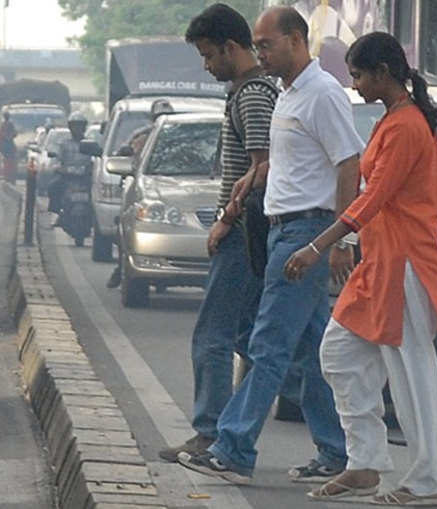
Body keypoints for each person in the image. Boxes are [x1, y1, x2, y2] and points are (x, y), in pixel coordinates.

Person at [178, 6, 362, 485]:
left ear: (297, 41)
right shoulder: (286, 94)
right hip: (283, 229)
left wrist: (342, 238)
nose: (260, 53)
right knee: (308, 349)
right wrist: (246, 186)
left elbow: (349, 164)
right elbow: (279, 163)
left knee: (268, 345)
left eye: (267, 44)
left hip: (306, 234)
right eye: (257, 45)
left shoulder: (322, 94)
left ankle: (234, 446)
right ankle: (339, 450)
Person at [283, 32, 437, 506]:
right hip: (379, 262)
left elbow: (373, 197)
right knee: (339, 356)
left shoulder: (405, 126)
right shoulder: (393, 119)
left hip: (405, 262)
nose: (354, 85)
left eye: (358, 75)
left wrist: (316, 248)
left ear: (383, 73)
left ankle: (426, 480)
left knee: (412, 374)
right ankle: (365, 465)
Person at [157, 3, 277, 464]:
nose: (207, 66)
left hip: (245, 233)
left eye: (209, 55)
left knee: (213, 335)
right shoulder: (253, 91)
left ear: (231, 47)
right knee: (256, 340)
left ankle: (210, 431)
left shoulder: (252, 95)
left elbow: (262, 167)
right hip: (250, 232)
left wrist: (227, 218)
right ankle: (237, 428)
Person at [106, 99, 174, 289]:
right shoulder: (141, 136)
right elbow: (122, 153)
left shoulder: (177, 136)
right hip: (137, 185)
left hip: (167, 188)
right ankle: (122, 269)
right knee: (124, 229)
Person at [47, 111, 91, 221]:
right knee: (53, 186)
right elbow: (57, 159)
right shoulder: (64, 143)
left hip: (85, 177)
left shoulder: (90, 143)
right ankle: (56, 212)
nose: (77, 129)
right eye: (75, 126)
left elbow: (95, 158)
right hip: (67, 176)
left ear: (84, 127)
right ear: (70, 127)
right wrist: (58, 168)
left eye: (80, 126)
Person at [0, 111, 17, 183]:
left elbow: (14, 134)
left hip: (7, 147)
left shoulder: (5, 125)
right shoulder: (5, 125)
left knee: (8, 162)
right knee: (8, 162)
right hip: (7, 147)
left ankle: (9, 177)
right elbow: (1, 135)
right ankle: (9, 177)